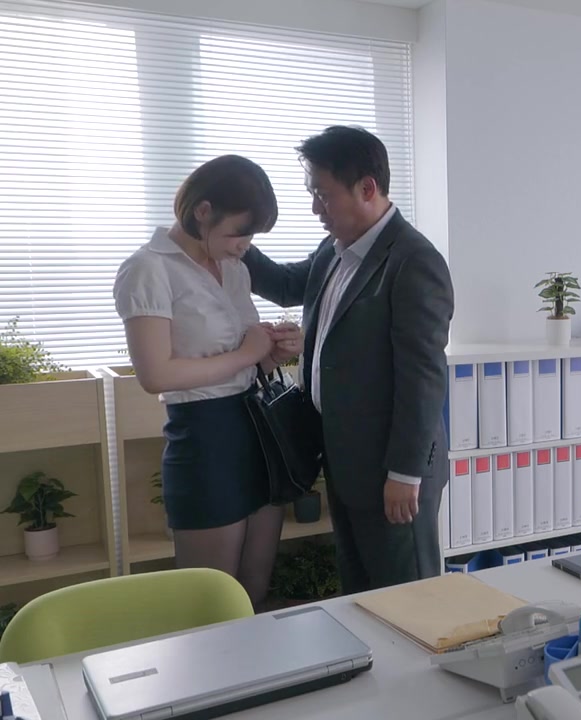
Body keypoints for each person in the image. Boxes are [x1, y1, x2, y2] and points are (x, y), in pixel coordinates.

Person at [243, 126, 454, 593]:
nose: (315, 208)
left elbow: (423, 379)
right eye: (312, 194)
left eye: (323, 195)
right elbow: (284, 284)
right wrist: (231, 234)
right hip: (344, 461)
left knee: (407, 597)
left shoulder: (413, 262)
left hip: (392, 470)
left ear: (367, 188)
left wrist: (405, 474)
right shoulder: (335, 250)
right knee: (360, 595)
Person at [114, 155, 301, 608]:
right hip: (204, 435)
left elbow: (240, 358)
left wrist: (271, 352)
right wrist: (246, 353)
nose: (245, 246)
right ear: (203, 211)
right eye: (239, 232)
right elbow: (155, 374)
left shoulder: (235, 267)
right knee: (209, 603)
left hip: (258, 427)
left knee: (254, 589)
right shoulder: (148, 268)